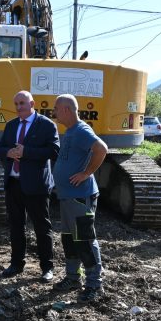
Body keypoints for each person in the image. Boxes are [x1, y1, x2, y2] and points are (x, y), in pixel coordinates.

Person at [0, 91, 59, 281]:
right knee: (16, 226)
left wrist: (26, 152)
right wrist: (9, 153)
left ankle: (47, 267)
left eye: (22, 103)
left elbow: (54, 150)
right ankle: (16, 264)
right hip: (14, 183)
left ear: (32, 103)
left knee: (41, 227)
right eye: (16, 104)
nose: (19, 107)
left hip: (36, 185)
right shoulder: (11, 125)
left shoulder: (46, 125)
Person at [51, 94, 108, 302]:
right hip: (68, 197)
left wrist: (86, 173)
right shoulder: (70, 131)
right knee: (69, 239)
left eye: (56, 108)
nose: (54, 112)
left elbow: (101, 149)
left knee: (84, 240)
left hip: (80, 197)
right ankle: (73, 277)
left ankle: (94, 284)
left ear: (66, 110)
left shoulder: (82, 130)